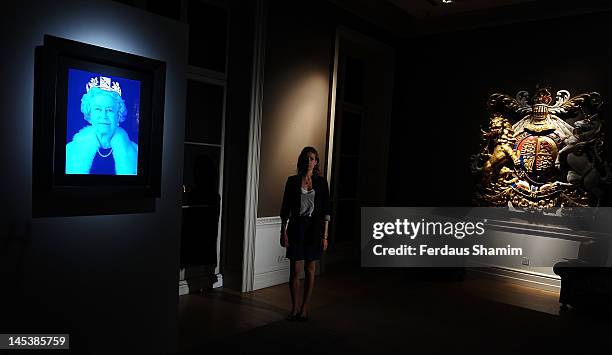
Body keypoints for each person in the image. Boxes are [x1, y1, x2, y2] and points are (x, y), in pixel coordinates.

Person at [280, 146, 331, 321]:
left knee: (310, 269)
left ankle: (304, 308)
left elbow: (326, 210)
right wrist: (283, 231)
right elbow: (285, 208)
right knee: (295, 270)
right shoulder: (292, 181)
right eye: (306, 158)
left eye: (312, 158)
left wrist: (325, 236)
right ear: (302, 160)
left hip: (314, 229)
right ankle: (294, 308)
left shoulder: (321, 183)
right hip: (296, 227)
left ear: (316, 162)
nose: (309, 161)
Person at [65, 76, 138, 175]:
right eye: (98, 109)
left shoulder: (136, 152)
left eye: (109, 110)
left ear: (118, 115)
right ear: (90, 115)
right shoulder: (69, 151)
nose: (104, 116)